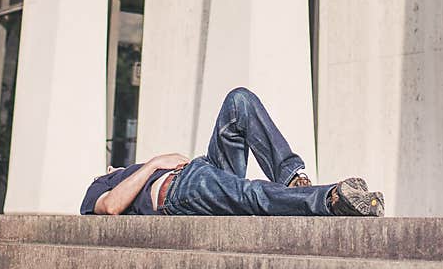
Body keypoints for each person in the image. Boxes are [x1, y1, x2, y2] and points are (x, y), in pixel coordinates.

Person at [80, 87, 384, 218]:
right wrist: (154, 164)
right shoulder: (101, 185)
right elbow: (110, 207)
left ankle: (292, 177)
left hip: (200, 169)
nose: (113, 167)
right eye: (110, 169)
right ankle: (331, 198)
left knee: (239, 100)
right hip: (181, 192)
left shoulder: (129, 173)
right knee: (249, 193)